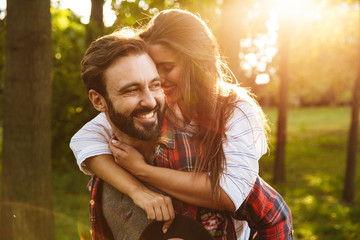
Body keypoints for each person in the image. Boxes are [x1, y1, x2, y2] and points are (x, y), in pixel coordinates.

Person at [71, 9, 293, 239]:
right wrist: (136, 190)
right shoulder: (158, 106)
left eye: (167, 68)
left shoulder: (233, 111)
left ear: (195, 65)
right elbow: (85, 139)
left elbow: (231, 193)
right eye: (154, 68)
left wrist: (143, 171)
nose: (159, 79)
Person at [79, 30, 239, 239]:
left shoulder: (202, 147)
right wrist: (137, 191)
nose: (151, 101)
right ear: (98, 101)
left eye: (155, 85)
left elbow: (269, 209)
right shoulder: (104, 168)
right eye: (131, 90)